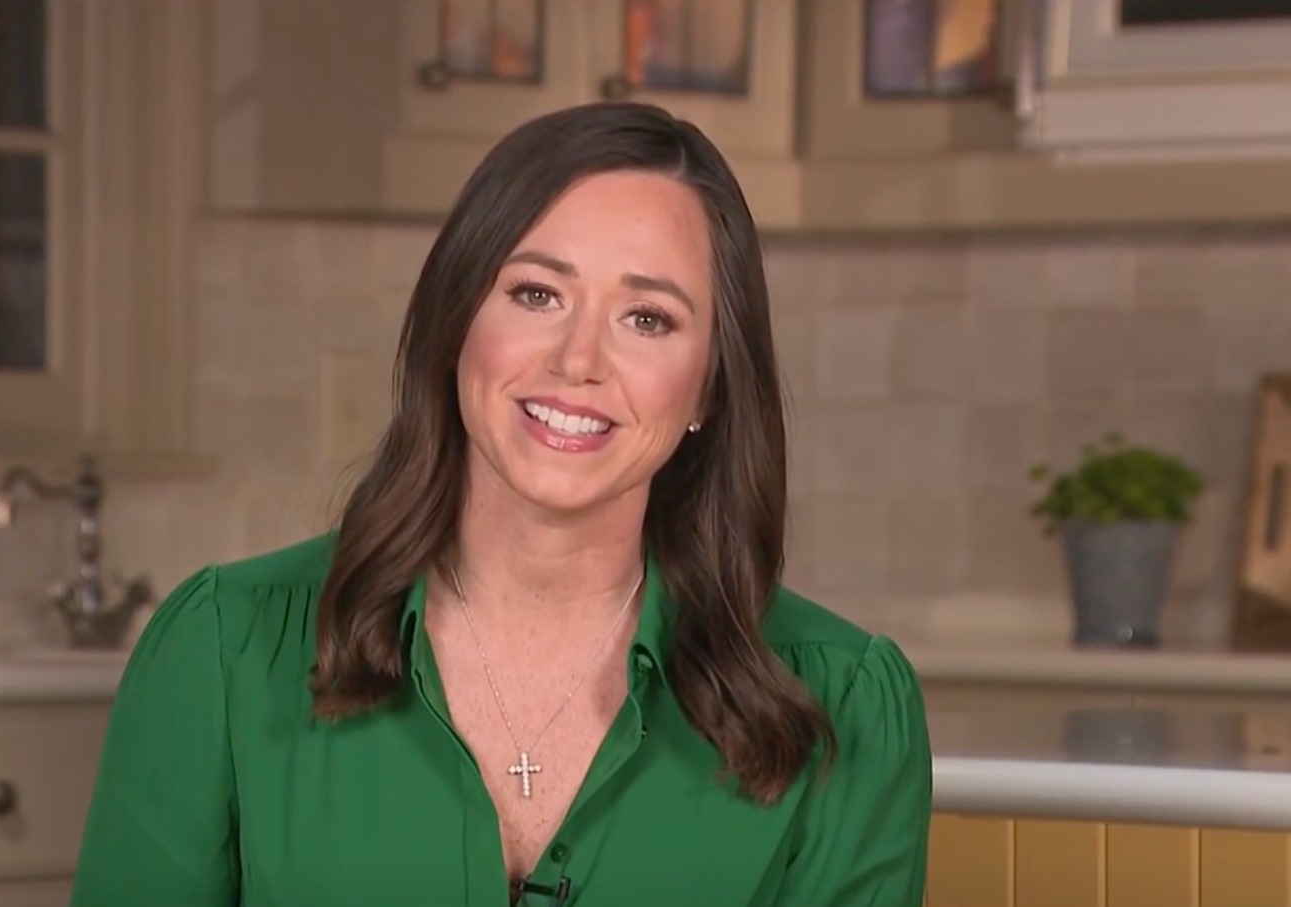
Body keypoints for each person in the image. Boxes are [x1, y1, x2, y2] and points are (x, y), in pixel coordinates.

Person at [69, 100, 932, 907]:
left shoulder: (844, 704)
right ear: (455, 324)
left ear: (708, 384)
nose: (577, 359)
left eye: (648, 319)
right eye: (536, 294)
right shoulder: (220, 654)